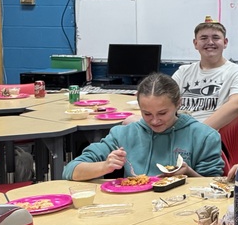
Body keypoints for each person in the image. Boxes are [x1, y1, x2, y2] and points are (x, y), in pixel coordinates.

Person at [63, 72, 223, 180]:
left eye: (162, 113)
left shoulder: (204, 136)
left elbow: (214, 187)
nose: (154, 121)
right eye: (147, 114)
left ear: (178, 104)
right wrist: (104, 167)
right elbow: (70, 170)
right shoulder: (123, 134)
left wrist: (189, 173)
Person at [172, 17, 238, 132]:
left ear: (225, 43)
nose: (210, 42)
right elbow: (165, 99)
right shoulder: (183, 72)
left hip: (210, 137)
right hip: (177, 131)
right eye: (203, 38)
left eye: (216, 38)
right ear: (195, 43)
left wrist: (197, 133)